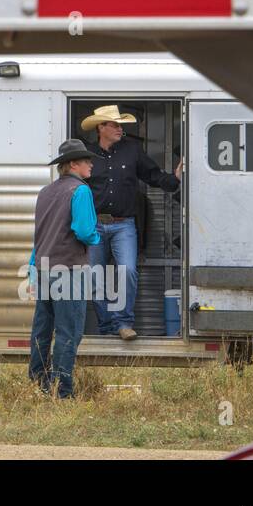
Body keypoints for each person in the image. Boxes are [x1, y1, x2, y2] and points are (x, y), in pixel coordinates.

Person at [80, 105, 182, 340]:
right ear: (100, 128)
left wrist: (174, 179)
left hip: (124, 224)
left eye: (120, 125)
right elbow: (74, 186)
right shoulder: (87, 154)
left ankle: (123, 323)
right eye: (115, 125)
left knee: (127, 272)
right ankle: (106, 327)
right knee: (96, 277)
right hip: (94, 225)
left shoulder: (132, 150)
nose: (120, 129)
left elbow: (153, 175)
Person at [28, 139, 101, 399]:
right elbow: (83, 230)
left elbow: (39, 236)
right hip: (69, 270)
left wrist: (31, 269)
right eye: (86, 161)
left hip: (44, 268)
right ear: (73, 164)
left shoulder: (44, 193)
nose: (90, 164)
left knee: (42, 330)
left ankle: (38, 385)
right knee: (68, 332)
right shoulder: (81, 191)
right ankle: (62, 392)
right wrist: (96, 238)